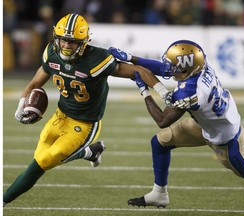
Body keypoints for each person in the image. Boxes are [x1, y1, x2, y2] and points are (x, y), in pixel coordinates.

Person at [3, 13, 170, 207]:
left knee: (43, 161)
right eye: (63, 40)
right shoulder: (51, 53)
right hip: (60, 116)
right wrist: (21, 104)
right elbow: (35, 82)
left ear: (83, 42)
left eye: (72, 42)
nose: (66, 45)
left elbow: (139, 71)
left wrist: (163, 93)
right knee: (41, 157)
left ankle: (4, 201)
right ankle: (90, 153)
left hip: (84, 125)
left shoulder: (97, 59)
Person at [108, 40, 244, 214]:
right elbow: (164, 69)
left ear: (186, 69)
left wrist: (144, 90)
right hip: (207, 124)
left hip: (227, 139)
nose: (169, 69)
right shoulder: (199, 65)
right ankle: (159, 194)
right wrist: (131, 58)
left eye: (174, 67)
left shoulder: (191, 92)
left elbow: (162, 119)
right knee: (161, 141)